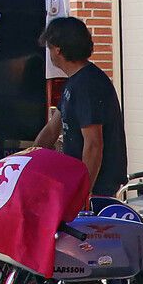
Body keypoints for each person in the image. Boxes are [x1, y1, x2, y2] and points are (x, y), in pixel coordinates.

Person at [33, 16, 127, 198]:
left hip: (98, 187)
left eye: (49, 48)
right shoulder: (74, 82)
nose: (49, 54)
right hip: (80, 182)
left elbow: (93, 144)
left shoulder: (88, 85)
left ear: (58, 50)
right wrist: (28, 159)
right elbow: (52, 129)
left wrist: (84, 192)